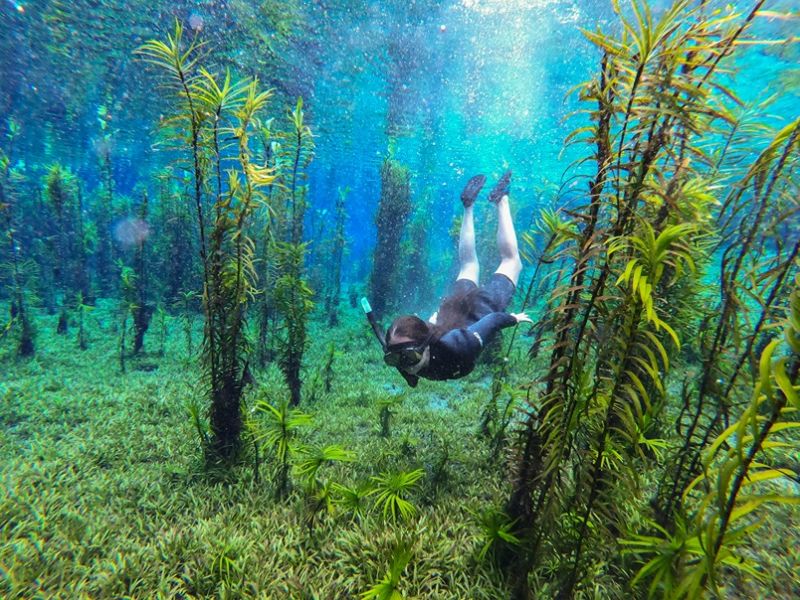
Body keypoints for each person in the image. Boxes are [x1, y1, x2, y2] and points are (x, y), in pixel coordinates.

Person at [383, 170, 531, 387]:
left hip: (480, 311)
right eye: (394, 359)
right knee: (468, 264)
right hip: (450, 310)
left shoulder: (458, 346)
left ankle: (502, 199)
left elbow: (491, 321)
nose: (404, 365)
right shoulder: (399, 349)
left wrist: (513, 319)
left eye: (408, 357)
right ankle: (468, 206)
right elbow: (407, 359)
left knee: (511, 262)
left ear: (425, 344)